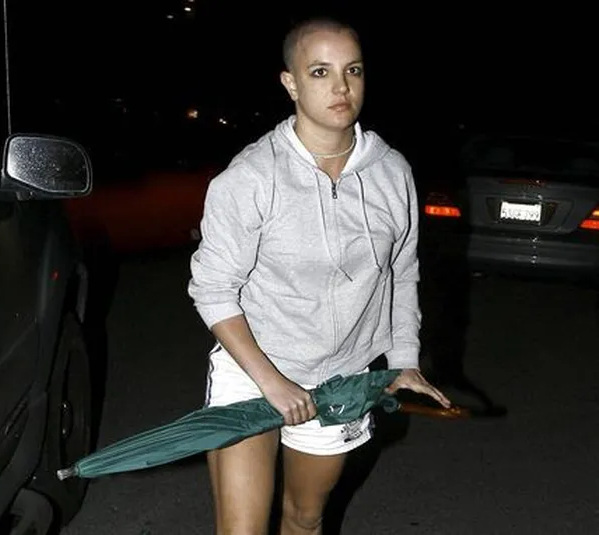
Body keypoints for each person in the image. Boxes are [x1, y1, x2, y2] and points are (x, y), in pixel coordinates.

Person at [188, 15, 451, 535]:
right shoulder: (251, 177)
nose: (340, 87)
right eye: (320, 72)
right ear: (290, 83)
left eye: (352, 70)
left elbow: (401, 270)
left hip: (340, 381)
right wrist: (273, 382)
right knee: (241, 529)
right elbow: (213, 290)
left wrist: (403, 359)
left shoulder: (392, 173)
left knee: (305, 518)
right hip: (253, 369)